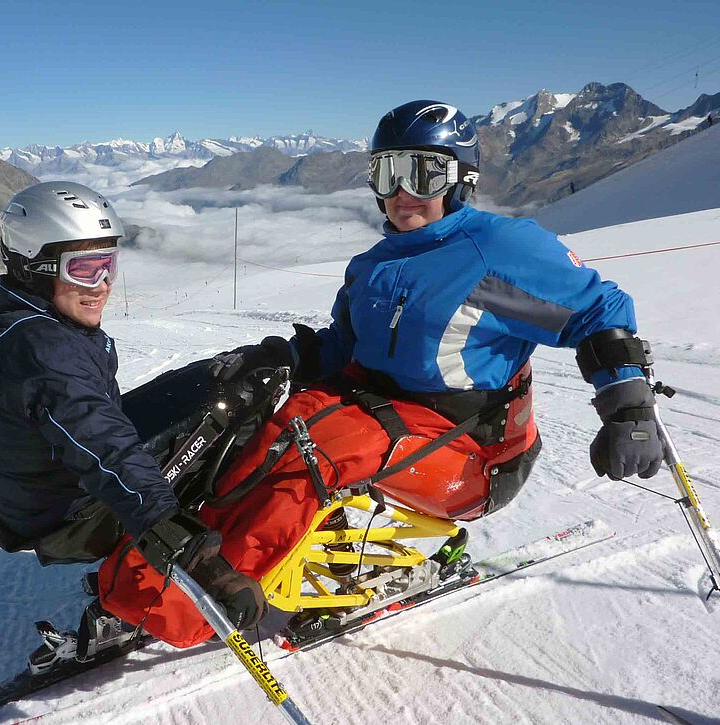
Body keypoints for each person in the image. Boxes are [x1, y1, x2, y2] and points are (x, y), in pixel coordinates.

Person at [95, 100, 666, 647]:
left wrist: (629, 408)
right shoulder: (373, 265)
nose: (400, 192)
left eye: (422, 173)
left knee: (308, 452)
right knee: (247, 425)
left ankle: (183, 602)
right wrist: (276, 363)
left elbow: (599, 312)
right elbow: (346, 347)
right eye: (387, 172)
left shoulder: (497, 250)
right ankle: (164, 555)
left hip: (471, 451)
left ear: (460, 178)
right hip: (383, 412)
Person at [0, 182, 264, 672]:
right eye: (84, 269)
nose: (103, 285)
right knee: (227, 410)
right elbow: (106, 449)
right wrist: (187, 548)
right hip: (75, 512)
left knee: (198, 381)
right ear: (33, 265)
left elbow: (81, 419)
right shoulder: (47, 357)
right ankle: (172, 569)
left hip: (30, 494)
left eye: (108, 265)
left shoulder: (1, 322)